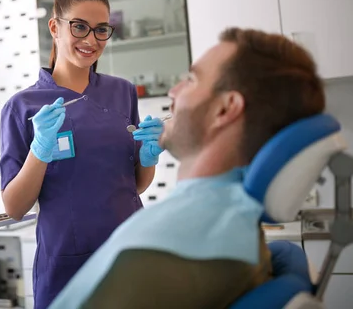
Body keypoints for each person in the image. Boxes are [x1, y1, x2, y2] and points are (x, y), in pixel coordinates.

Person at [48, 27, 326, 308]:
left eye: (191, 80)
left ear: (225, 109)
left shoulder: (156, 249)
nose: (174, 91)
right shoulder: (231, 221)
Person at [0, 0, 164, 309]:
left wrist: (149, 155)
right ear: (54, 28)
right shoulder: (24, 107)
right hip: (67, 265)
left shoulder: (123, 92)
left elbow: (136, 185)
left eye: (101, 29)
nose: (91, 40)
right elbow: (14, 208)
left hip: (129, 253)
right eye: (79, 27)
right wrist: (39, 151)